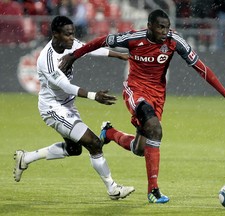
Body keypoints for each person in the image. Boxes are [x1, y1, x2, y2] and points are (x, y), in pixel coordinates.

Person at [59, 9, 225, 204]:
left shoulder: (175, 41)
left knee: (139, 149)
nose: (165, 32)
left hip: (158, 95)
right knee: (155, 129)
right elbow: (100, 41)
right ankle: (153, 191)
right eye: (160, 27)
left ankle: (109, 133)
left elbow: (200, 67)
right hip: (136, 91)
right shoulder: (133, 38)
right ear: (149, 26)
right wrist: (74, 56)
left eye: (167, 27)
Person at [13, 15, 135, 200]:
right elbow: (66, 86)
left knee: (74, 149)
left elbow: (90, 49)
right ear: (55, 34)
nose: (72, 38)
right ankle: (113, 189)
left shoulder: (70, 44)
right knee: (94, 143)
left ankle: (26, 158)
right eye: (68, 35)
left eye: (73, 34)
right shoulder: (46, 59)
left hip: (66, 105)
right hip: (53, 109)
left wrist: (121, 55)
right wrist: (95, 96)